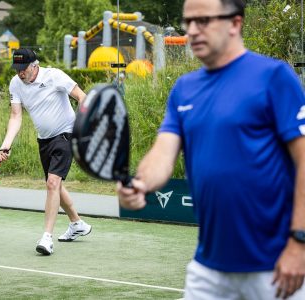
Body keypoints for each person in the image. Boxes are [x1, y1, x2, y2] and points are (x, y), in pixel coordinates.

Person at [117, 0, 305, 299]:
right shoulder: (183, 89)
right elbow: (162, 154)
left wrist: (299, 242)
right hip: (208, 270)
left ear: (235, 23)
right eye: (188, 22)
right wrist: (140, 184)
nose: (192, 30)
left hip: (276, 266)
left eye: (203, 20)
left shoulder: (274, 77)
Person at [0, 48, 92, 256]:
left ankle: (46, 238)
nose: (20, 73)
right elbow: (16, 116)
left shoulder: (54, 76)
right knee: (55, 184)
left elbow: (81, 96)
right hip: (44, 139)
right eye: (17, 69)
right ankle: (77, 224)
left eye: (24, 69)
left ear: (35, 65)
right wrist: (6, 144)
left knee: (52, 183)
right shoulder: (16, 83)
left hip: (66, 133)